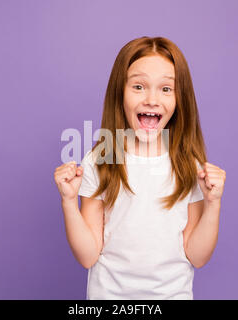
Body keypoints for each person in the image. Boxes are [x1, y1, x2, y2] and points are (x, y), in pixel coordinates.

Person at [54, 36, 226, 300]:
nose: (152, 99)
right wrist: (68, 202)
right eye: (138, 86)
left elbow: (197, 255)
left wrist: (213, 203)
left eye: (166, 89)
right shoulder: (102, 157)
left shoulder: (188, 164)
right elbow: (88, 256)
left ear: (180, 99)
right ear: (119, 93)